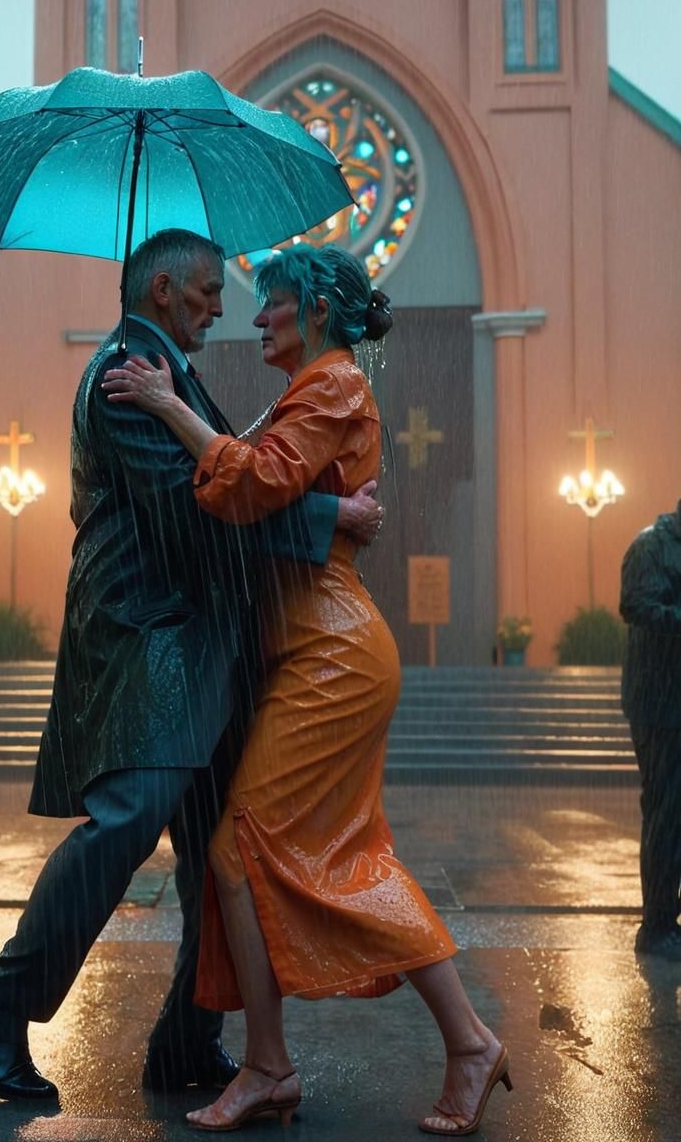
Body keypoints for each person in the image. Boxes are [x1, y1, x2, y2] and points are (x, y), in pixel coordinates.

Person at [0, 229, 383, 1102]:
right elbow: (192, 511)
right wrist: (324, 520)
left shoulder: (168, 373)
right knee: (125, 823)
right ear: (163, 290)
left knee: (218, 852)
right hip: (152, 637)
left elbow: (235, 470)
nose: (225, 306)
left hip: (203, 642)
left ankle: (188, 1040)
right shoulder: (123, 380)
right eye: (211, 289)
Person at [105, 242, 511, 1135]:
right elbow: (264, 484)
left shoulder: (330, 386)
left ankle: (288, 1063)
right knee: (303, 853)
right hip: (309, 647)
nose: (254, 318)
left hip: (331, 651)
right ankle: (289, 1062)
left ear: (314, 309)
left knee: (238, 844)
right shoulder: (303, 391)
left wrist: (170, 403)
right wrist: (327, 507)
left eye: (271, 303)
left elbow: (249, 485)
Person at [619, 498, 681, 960]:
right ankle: (657, 926)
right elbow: (636, 604)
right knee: (667, 816)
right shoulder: (651, 546)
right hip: (661, 708)